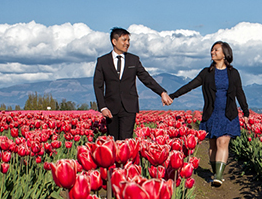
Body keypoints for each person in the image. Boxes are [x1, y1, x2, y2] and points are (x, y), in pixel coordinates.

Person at [169, 41, 249, 186]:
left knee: (223, 142)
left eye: (216, 50)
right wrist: (173, 95)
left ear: (225, 54)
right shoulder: (206, 73)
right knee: (213, 145)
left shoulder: (233, 73)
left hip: (228, 113)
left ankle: (218, 176)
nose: (212, 52)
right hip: (211, 113)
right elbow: (190, 85)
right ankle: (215, 171)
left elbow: (239, 92)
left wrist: (246, 112)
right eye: (212, 50)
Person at [93, 27, 172, 139]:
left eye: (128, 40)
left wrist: (162, 92)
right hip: (111, 108)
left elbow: (146, 78)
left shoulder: (133, 60)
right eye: (124, 40)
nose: (127, 43)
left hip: (129, 107)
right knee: (112, 141)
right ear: (114, 41)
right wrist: (102, 107)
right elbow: (98, 85)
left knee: (126, 142)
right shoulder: (103, 61)